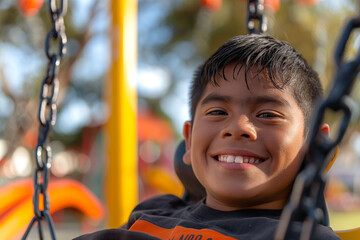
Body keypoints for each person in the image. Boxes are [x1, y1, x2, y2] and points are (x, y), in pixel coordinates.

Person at [75, 34, 340, 240]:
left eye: (268, 114)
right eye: (217, 111)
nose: (237, 127)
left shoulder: (303, 237)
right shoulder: (153, 212)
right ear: (188, 141)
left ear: (317, 145)